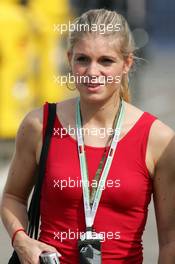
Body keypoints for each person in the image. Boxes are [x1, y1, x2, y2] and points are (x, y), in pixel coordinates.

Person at [1, 8, 175, 264]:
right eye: (83, 59)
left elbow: (170, 239)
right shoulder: (40, 124)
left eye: (106, 61)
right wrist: (22, 240)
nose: (93, 72)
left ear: (127, 63)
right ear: (69, 58)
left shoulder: (158, 139)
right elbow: (12, 197)